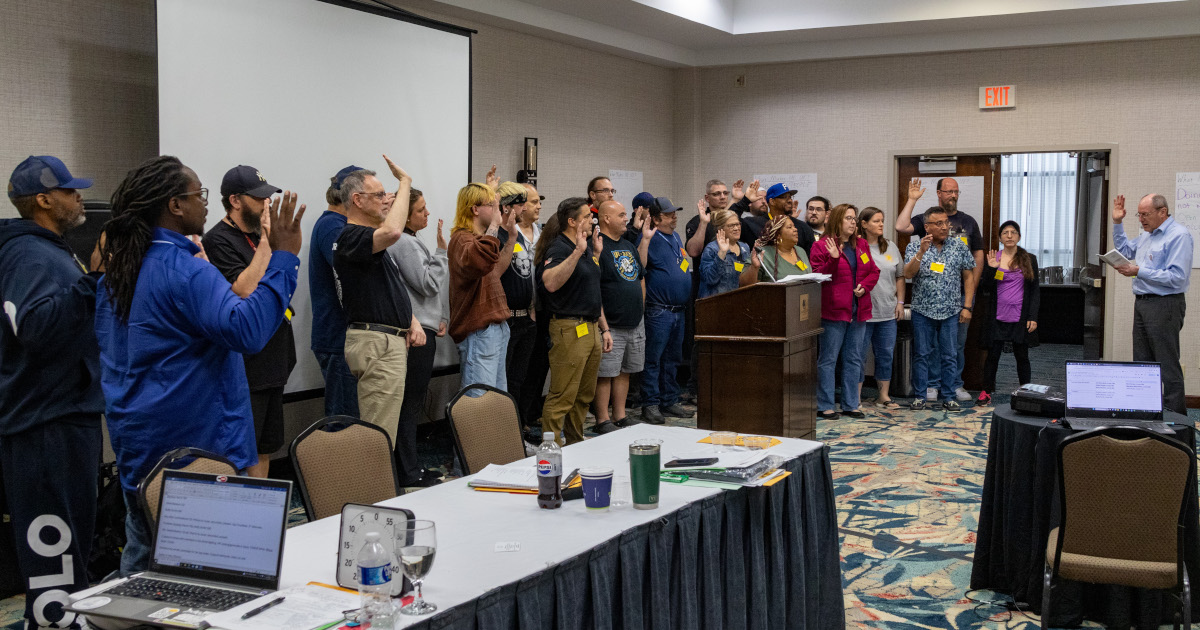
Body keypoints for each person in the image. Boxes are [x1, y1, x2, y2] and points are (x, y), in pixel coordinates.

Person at [96, 155, 303, 575]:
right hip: (197, 445)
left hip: (139, 439)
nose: (205, 205)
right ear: (175, 205)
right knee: (208, 571)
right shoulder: (185, 270)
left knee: (144, 557)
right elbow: (246, 331)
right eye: (198, 195)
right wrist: (283, 258)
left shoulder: (117, 272)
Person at [1, 156, 103, 629]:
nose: (78, 196)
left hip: (63, 417)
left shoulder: (47, 250)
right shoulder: (28, 254)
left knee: (70, 556)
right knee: (54, 570)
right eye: (68, 190)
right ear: (43, 200)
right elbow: (35, 328)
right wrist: (94, 282)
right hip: (44, 426)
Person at [202, 165, 295, 478]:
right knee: (243, 448)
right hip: (247, 366)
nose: (267, 204)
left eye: (268, 197)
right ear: (235, 200)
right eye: (259, 198)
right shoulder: (218, 240)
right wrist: (270, 240)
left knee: (265, 446)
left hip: (273, 360)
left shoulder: (257, 236)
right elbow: (243, 289)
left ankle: (261, 514)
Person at [334, 159, 426, 445]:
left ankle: (379, 486)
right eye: (379, 195)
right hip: (378, 342)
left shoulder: (368, 241)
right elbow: (394, 231)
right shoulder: (351, 237)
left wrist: (410, 320)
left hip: (386, 339)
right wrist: (404, 183)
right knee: (379, 435)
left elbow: (388, 288)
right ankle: (374, 489)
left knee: (385, 429)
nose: (386, 200)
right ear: (357, 200)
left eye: (388, 194)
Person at [896, 177, 983, 402]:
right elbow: (907, 272)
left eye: (946, 223)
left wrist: (967, 304)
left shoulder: (960, 240)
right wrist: (921, 252)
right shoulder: (916, 244)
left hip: (952, 307)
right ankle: (925, 391)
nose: (945, 226)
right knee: (923, 353)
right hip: (923, 309)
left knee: (951, 352)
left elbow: (969, 273)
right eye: (940, 223)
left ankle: (951, 391)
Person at [535, 197, 613, 445]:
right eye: (587, 216)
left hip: (590, 328)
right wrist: (580, 251)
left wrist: (604, 328)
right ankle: (551, 448)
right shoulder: (560, 248)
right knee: (562, 396)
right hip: (568, 328)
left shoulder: (586, 247)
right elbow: (550, 282)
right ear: (572, 221)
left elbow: (590, 291)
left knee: (583, 396)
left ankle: (575, 442)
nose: (593, 220)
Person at [1111, 193, 1192, 415]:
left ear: (1162, 212)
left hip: (1165, 305)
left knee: (1167, 364)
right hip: (1143, 304)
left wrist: (1139, 271)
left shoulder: (1179, 236)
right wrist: (1117, 222)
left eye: (1145, 214)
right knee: (1143, 365)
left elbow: (1177, 277)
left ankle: (1177, 422)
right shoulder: (1148, 235)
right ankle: (1147, 414)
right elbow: (1125, 251)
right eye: (1139, 215)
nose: (1141, 219)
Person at [390, 187, 448, 486]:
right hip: (414, 334)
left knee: (409, 404)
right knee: (409, 404)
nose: (427, 213)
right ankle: (408, 472)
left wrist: (440, 316)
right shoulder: (404, 242)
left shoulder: (407, 240)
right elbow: (427, 284)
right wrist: (441, 252)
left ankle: (409, 469)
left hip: (422, 326)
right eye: (421, 209)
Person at [810, 204, 879, 419]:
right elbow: (818, 277)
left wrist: (865, 286)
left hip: (858, 310)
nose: (853, 222)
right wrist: (833, 258)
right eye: (848, 218)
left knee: (854, 359)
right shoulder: (821, 246)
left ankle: (851, 404)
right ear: (838, 220)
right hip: (833, 312)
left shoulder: (861, 245)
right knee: (828, 359)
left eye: (854, 218)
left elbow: (873, 271)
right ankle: (825, 405)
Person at [448, 180, 517, 391]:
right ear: (475, 209)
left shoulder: (479, 240)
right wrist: (496, 225)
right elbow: (479, 262)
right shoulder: (461, 238)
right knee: (479, 397)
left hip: (495, 328)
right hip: (480, 330)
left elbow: (494, 271)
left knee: (496, 396)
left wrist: (512, 237)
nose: (498, 210)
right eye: (492, 205)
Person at [309, 165, 363, 418]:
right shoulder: (333, 226)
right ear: (354, 197)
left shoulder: (339, 225)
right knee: (344, 421)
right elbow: (354, 273)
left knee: (352, 416)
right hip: (337, 339)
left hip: (343, 339)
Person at [594, 199, 650, 432]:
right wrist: (603, 325)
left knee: (625, 371)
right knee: (606, 373)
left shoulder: (627, 245)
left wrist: (639, 307)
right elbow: (594, 288)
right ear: (606, 218)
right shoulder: (597, 246)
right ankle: (602, 419)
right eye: (621, 215)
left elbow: (640, 276)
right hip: (611, 323)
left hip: (635, 321)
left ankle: (620, 415)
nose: (626, 218)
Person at [638, 197, 694, 424]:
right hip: (658, 310)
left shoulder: (676, 236)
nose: (675, 217)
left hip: (678, 310)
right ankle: (650, 404)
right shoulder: (648, 238)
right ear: (656, 218)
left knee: (672, 359)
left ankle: (669, 400)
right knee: (653, 360)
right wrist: (644, 239)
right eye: (670, 214)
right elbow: (640, 267)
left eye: (675, 213)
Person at [975, 221, 1040, 405]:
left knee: (1022, 357)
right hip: (998, 317)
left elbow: (1035, 290)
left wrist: (1033, 317)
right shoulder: (995, 258)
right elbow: (986, 287)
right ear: (1000, 238)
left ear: (1019, 236)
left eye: (1013, 232)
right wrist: (992, 269)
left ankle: (1026, 393)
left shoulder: (1030, 259)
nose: (1009, 236)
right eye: (1005, 233)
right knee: (992, 357)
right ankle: (985, 393)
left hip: (1020, 317)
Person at [495, 181, 540, 420]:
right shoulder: (496, 235)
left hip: (526, 319)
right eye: (520, 205)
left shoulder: (517, 235)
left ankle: (517, 430)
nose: (524, 209)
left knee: (518, 380)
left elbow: (525, 274)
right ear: (505, 207)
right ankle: (505, 435)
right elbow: (495, 275)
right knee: (503, 382)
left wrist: (531, 310)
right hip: (507, 320)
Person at [857, 207, 905, 408]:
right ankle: (856, 396)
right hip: (864, 312)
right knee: (858, 355)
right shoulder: (856, 247)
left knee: (885, 354)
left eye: (882, 221)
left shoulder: (890, 247)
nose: (881, 224)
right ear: (864, 224)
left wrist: (900, 303)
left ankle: (883, 395)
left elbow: (900, 276)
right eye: (876, 221)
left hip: (887, 311)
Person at [517, 183, 550, 435]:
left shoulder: (541, 233)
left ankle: (529, 413)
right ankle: (515, 420)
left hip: (542, 310)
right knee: (519, 370)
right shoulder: (510, 232)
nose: (539, 205)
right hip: (518, 312)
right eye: (534, 201)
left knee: (538, 365)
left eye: (539, 201)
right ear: (520, 205)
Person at [741, 183, 816, 255]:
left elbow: (811, 259)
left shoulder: (803, 227)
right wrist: (744, 201)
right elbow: (730, 223)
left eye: (790, 197)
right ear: (772, 201)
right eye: (784, 197)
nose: (790, 200)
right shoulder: (752, 223)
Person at [699, 209, 757, 297]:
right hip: (715, 305)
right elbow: (710, 279)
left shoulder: (745, 247)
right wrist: (722, 253)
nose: (736, 228)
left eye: (738, 224)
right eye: (731, 226)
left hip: (739, 302)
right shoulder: (712, 249)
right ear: (720, 229)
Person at [756, 214, 811, 281]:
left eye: (794, 226)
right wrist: (754, 267)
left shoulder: (800, 251)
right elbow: (747, 284)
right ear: (778, 235)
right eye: (789, 227)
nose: (795, 229)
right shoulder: (764, 253)